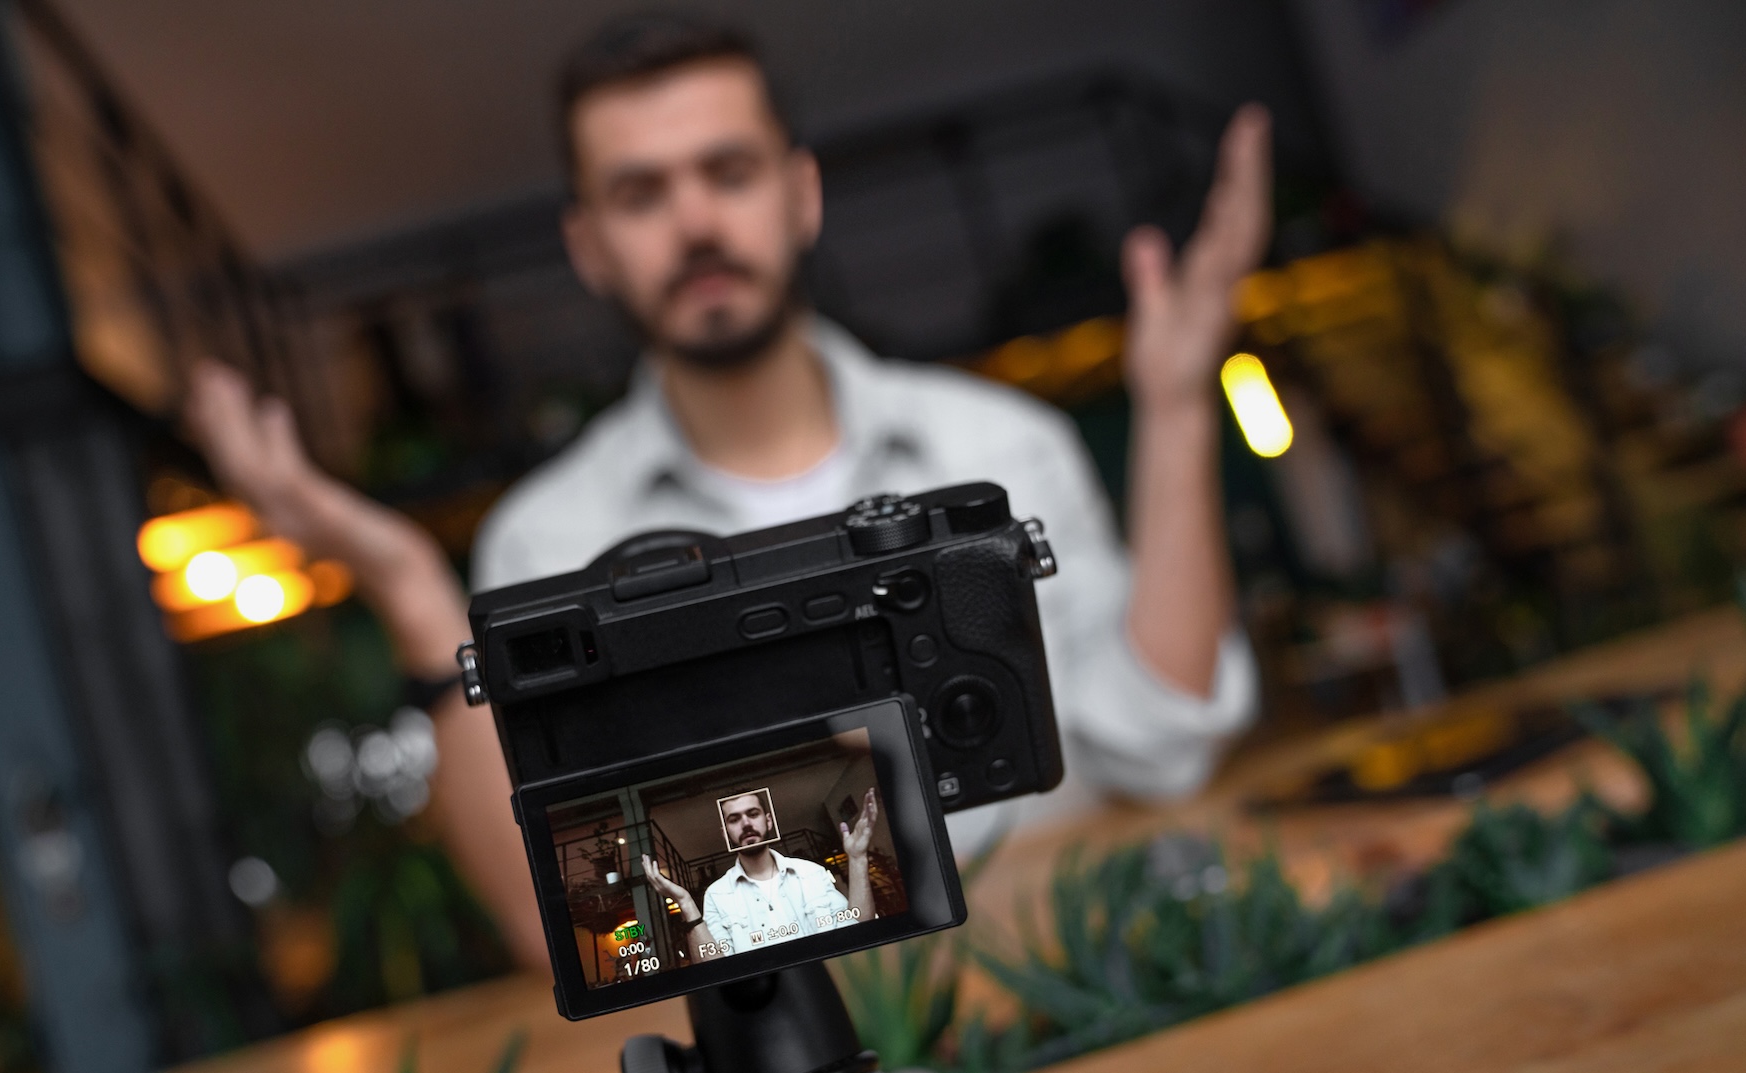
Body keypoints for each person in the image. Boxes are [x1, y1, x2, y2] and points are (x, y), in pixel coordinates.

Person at [184, 13, 1271, 971]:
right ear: (589, 246)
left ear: (801, 195)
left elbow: (1166, 749)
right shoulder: (547, 544)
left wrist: (1177, 408)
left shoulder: (1000, 447)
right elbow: (570, 925)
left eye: (729, 171)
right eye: (640, 194)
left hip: (1068, 1000)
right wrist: (408, 586)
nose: (695, 222)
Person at [644, 788, 879, 960]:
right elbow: (715, 967)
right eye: (734, 819)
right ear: (726, 834)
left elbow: (858, 932)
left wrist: (857, 859)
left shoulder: (811, 872)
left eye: (753, 814)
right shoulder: (716, 894)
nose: (746, 823)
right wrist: (685, 902)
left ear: (768, 822)